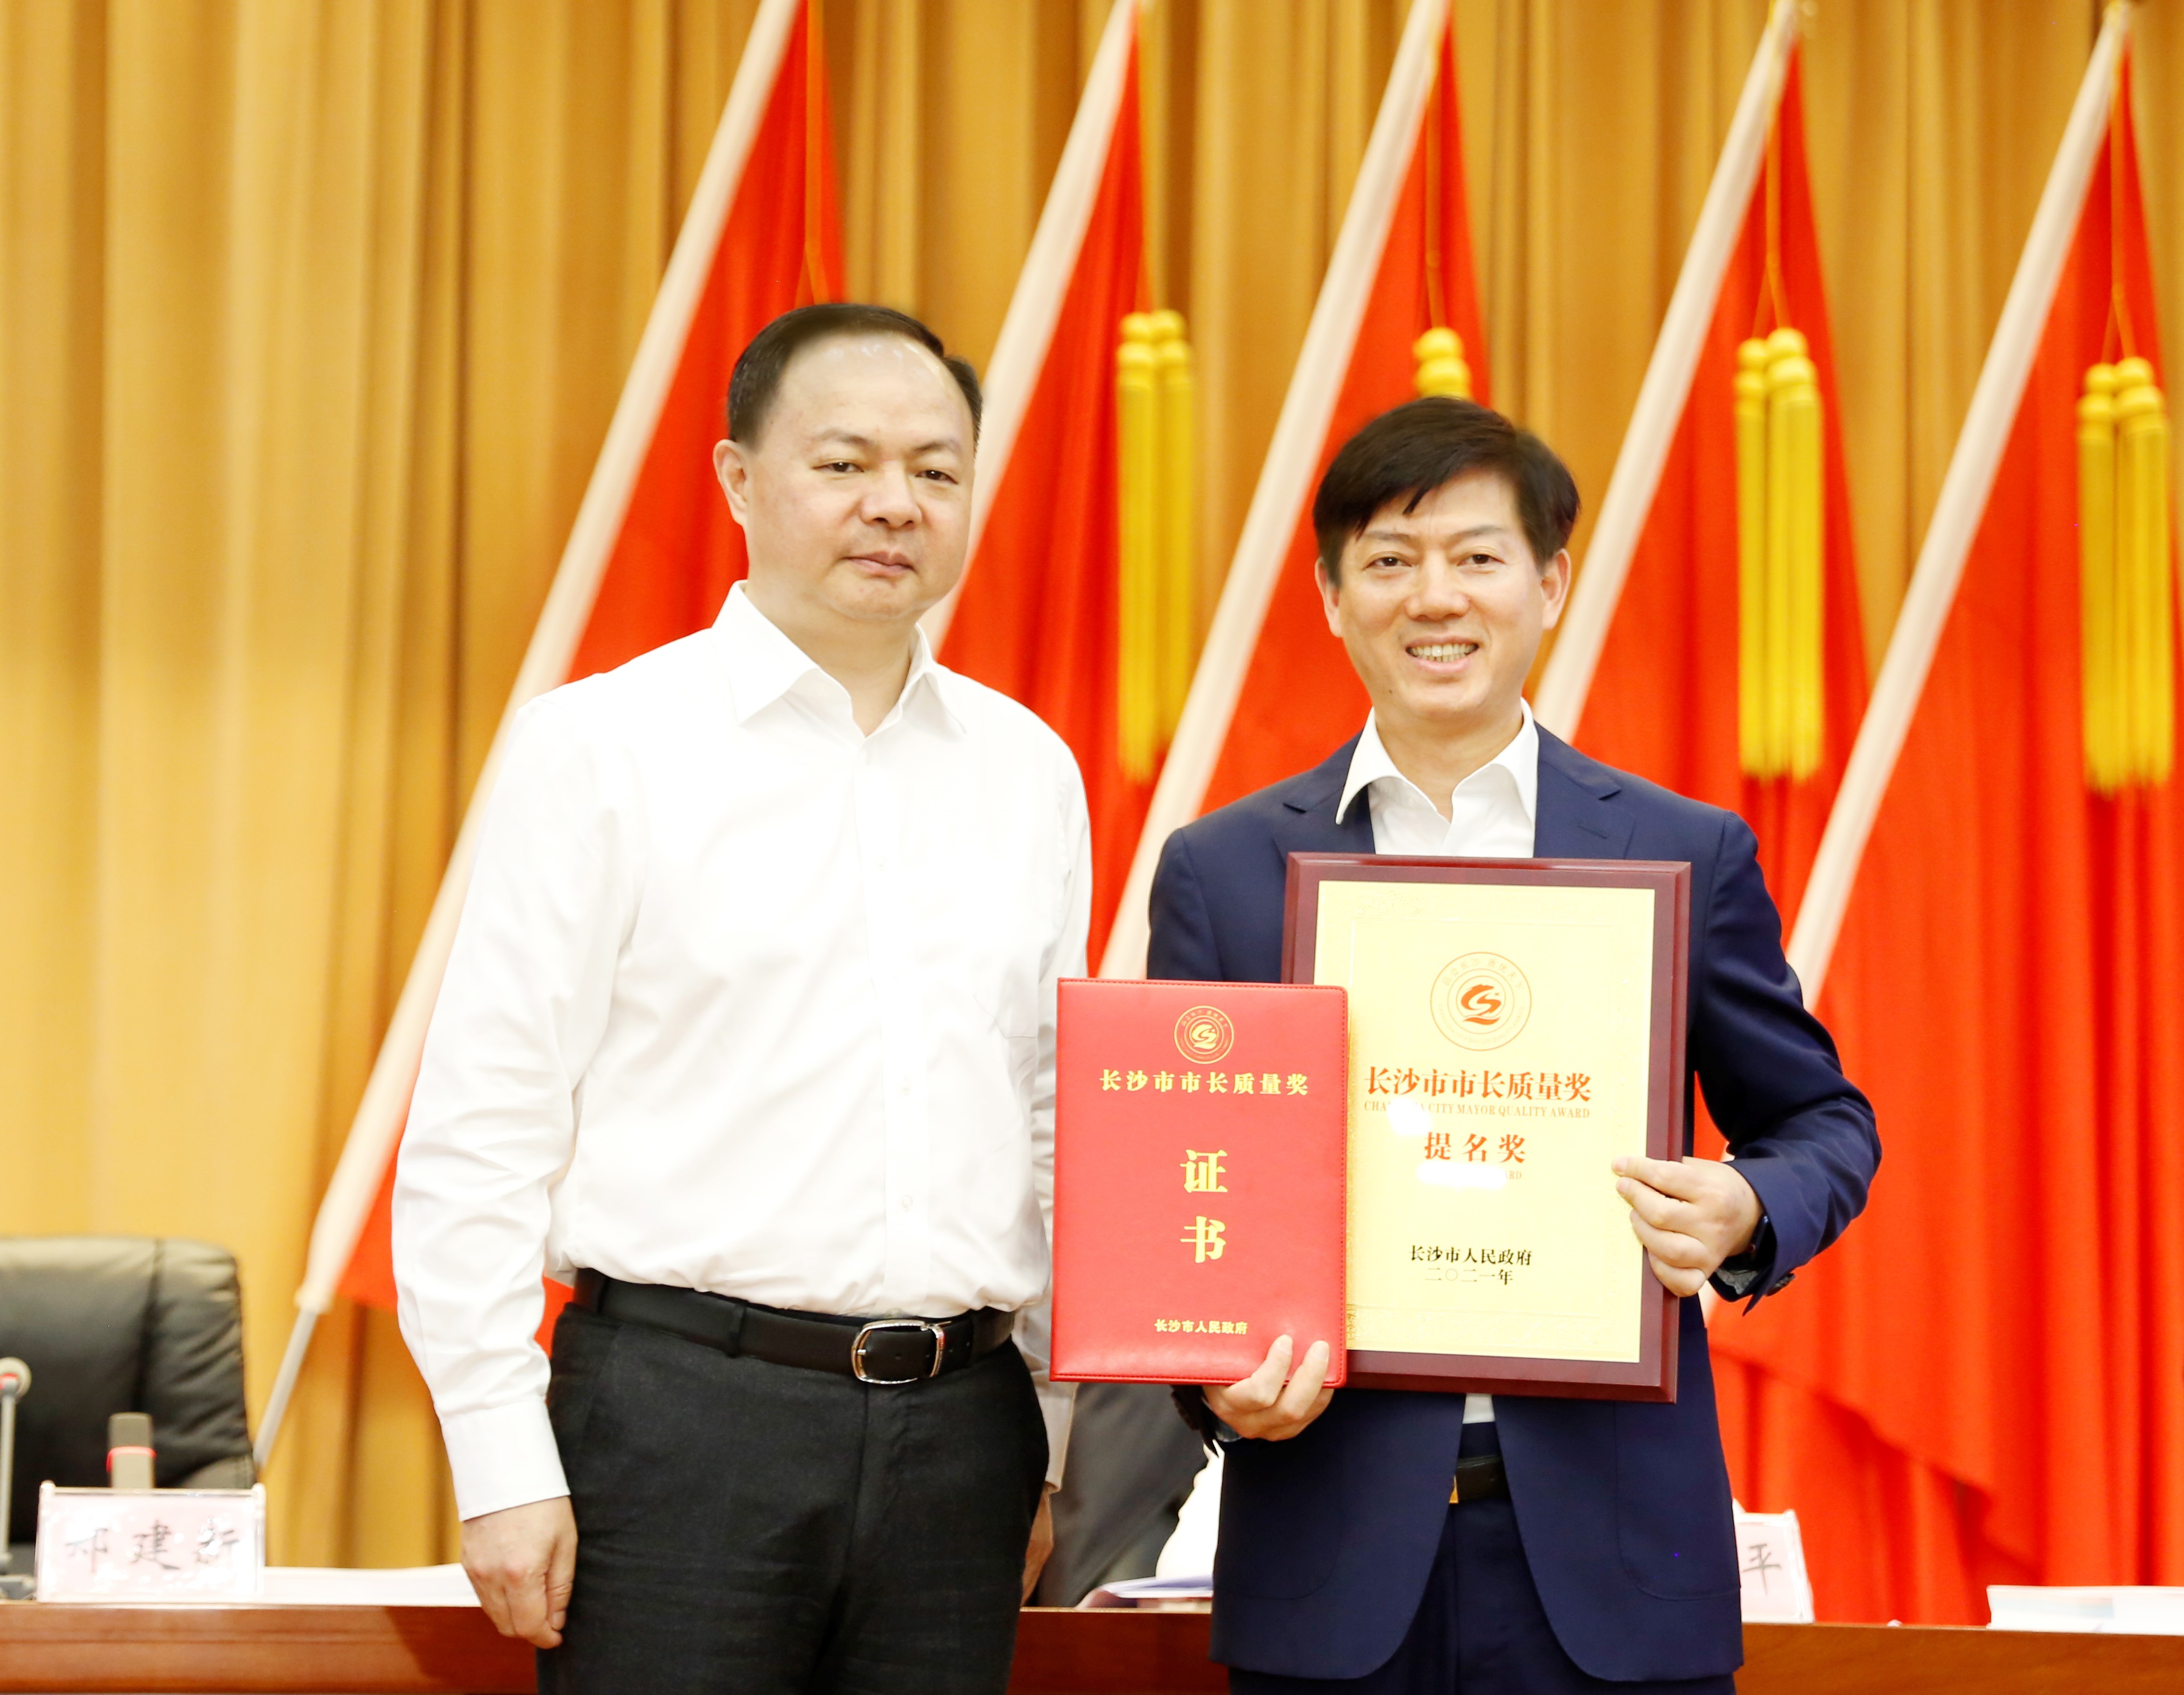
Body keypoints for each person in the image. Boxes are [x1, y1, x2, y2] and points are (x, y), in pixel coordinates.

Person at [393, 302, 1087, 1694]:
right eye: (844, 463)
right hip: (681, 1424)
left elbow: (1052, 1120)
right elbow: (485, 1120)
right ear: (738, 479)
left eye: (936, 470)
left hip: (966, 1435)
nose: (894, 503)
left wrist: (1050, 1439)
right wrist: (500, 1456)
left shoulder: (1027, 768)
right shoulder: (600, 746)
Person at [1147, 398, 1879, 1693]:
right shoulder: (1226, 870)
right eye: (1390, 560)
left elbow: (1825, 1124)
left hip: (1610, 1569)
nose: (1436, 597)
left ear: (1549, 585)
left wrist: (1747, 1206)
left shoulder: (1679, 852)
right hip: (1328, 1556)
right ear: (1331, 597)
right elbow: (1179, 1185)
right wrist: (1211, 1382)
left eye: (1478, 557)